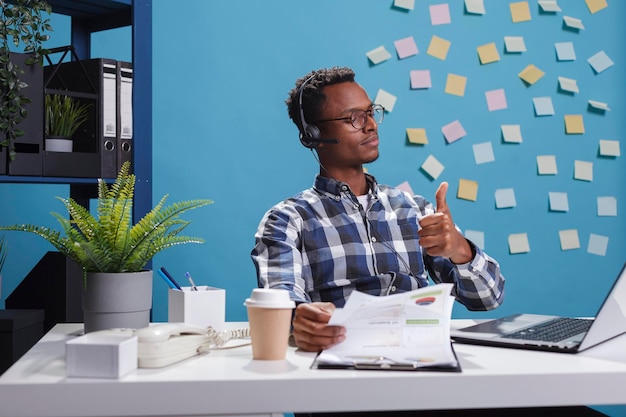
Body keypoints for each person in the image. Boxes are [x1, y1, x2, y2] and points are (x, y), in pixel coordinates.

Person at [251, 66, 505, 353]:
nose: (370, 125)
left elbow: (488, 299)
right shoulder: (287, 220)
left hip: (422, 362)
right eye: (354, 118)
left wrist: (460, 250)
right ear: (313, 134)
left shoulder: (415, 209)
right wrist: (296, 319)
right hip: (340, 366)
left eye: (371, 112)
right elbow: (279, 303)